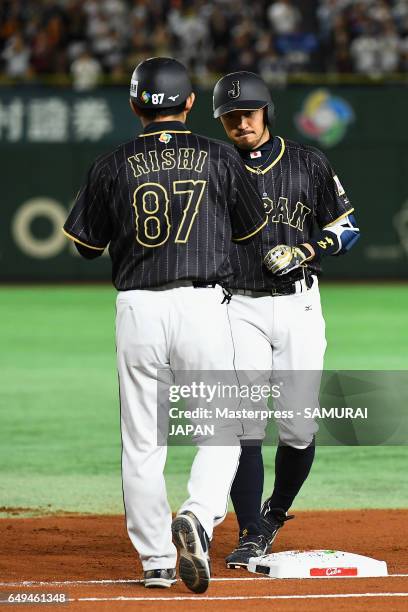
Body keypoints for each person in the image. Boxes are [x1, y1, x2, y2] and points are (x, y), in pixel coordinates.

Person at [63, 58, 267, 593]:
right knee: (222, 429)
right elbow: (252, 232)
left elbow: (84, 246)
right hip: (202, 306)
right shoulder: (221, 157)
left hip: (138, 309)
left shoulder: (112, 164)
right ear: (191, 103)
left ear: (134, 105)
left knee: (142, 443)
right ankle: (198, 516)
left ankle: (155, 561)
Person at [212, 71, 360, 569]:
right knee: (243, 425)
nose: (239, 122)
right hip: (239, 306)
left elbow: (348, 227)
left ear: (265, 112)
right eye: (229, 116)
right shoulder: (214, 166)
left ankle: (275, 512)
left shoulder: (306, 161)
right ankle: (251, 531)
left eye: (247, 113)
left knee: (298, 427)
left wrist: (307, 249)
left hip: (299, 305)